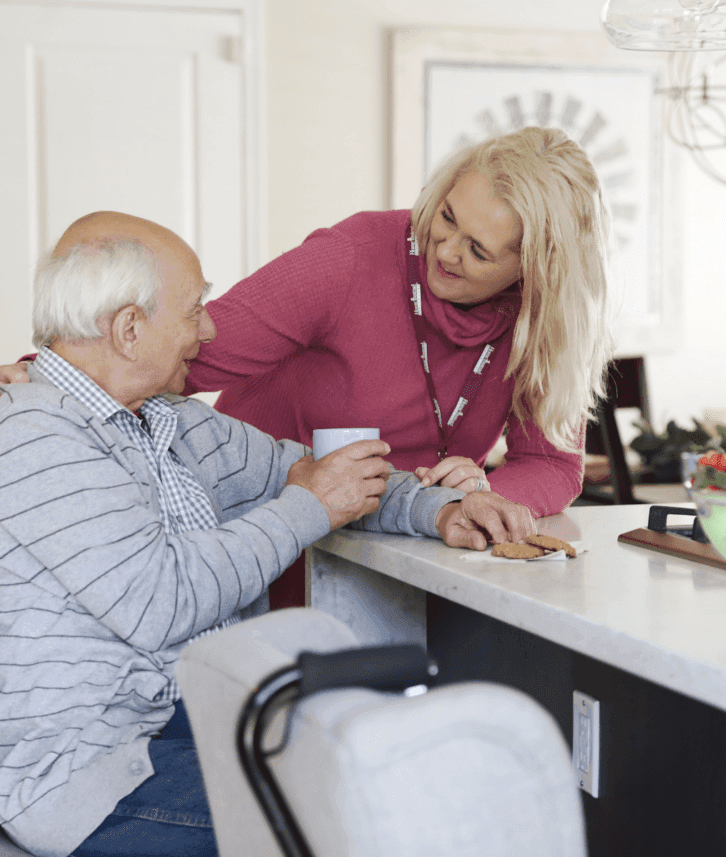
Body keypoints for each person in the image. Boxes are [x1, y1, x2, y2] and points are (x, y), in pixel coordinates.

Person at [0, 212, 533, 857]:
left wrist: (438, 510)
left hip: (186, 728)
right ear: (129, 329)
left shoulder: (173, 423)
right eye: (195, 309)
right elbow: (160, 599)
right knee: (379, 819)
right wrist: (309, 505)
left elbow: (315, 474)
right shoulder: (35, 435)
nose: (210, 328)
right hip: (93, 778)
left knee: (418, 779)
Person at [0, 126, 614, 610]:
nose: (444, 250)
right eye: (447, 216)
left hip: (409, 534)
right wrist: (51, 374)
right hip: (265, 536)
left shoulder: (548, 321)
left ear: (533, 270)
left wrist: (476, 499)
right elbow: (184, 348)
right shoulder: (350, 259)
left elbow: (552, 464)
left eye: (478, 250)